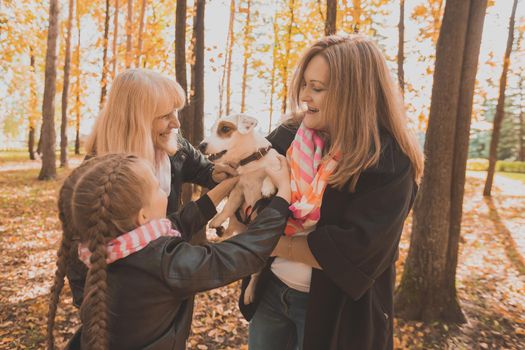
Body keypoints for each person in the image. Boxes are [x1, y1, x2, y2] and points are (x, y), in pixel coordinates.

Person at [241, 34, 424, 350]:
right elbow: (249, 191)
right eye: (304, 85)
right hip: (271, 297)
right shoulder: (290, 134)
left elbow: (351, 251)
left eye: (317, 88)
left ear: (354, 94)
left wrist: (267, 240)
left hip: (337, 318)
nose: (304, 96)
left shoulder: (390, 163)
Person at [46, 153, 291, 349]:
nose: (164, 192)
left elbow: (177, 224)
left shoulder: (99, 249)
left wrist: (226, 186)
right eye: (157, 188)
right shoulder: (163, 264)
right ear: (142, 216)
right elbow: (239, 255)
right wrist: (282, 200)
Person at [67, 69, 238, 308]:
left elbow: (202, 169)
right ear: (137, 119)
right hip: (127, 303)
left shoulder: (173, 145)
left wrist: (213, 172)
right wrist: (94, 308)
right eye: (166, 115)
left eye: (175, 111)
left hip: (168, 277)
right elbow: (76, 255)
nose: (176, 123)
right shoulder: (96, 174)